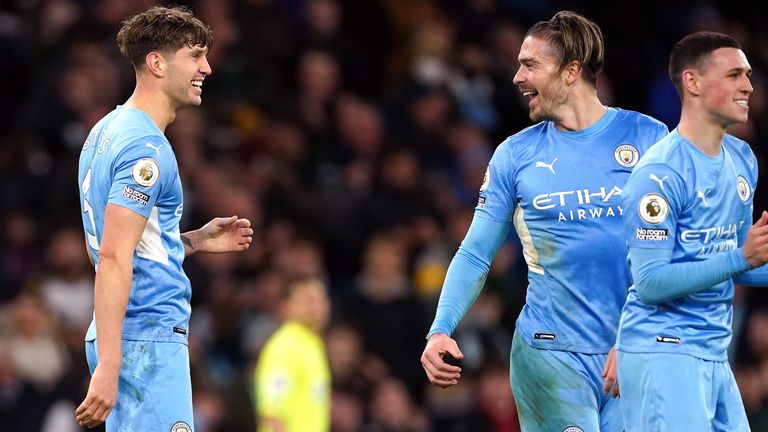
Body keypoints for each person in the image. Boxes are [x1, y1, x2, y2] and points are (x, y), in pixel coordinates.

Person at [420, 10, 669, 431]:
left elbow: (673, 250)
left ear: (571, 71)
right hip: (549, 354)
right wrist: (440, 328)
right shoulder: (514, 156)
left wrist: (639, 336)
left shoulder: (649, 138)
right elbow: (477, 252)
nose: (517, 77)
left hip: (630, 353)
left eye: (530, 65)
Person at [73, 6, 253, 430]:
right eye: (195, 56)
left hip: (123, 333)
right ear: (156, 62)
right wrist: (110, 366)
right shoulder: (147, 150)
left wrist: (189, 241)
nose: (207, 68)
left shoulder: (106, 130)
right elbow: (114, 257)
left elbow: (121, 243)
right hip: (145, 336)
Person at [616, 31, 768, 431]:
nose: (748, 85)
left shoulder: (742, 159)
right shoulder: (659, 173)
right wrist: (741, 256)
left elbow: (729, 260)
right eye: (734, 74)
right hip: (664, 351)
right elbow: (649, 282)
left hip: (715, 353)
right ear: (693, 82)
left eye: (748, 75)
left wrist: (748, 258)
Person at [254, 277, 331, 432]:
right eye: (308, 301)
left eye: (320, 300)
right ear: (286, 306)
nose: (316, 307)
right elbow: (271, 415)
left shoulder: (314, 346)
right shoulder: (284, 347)